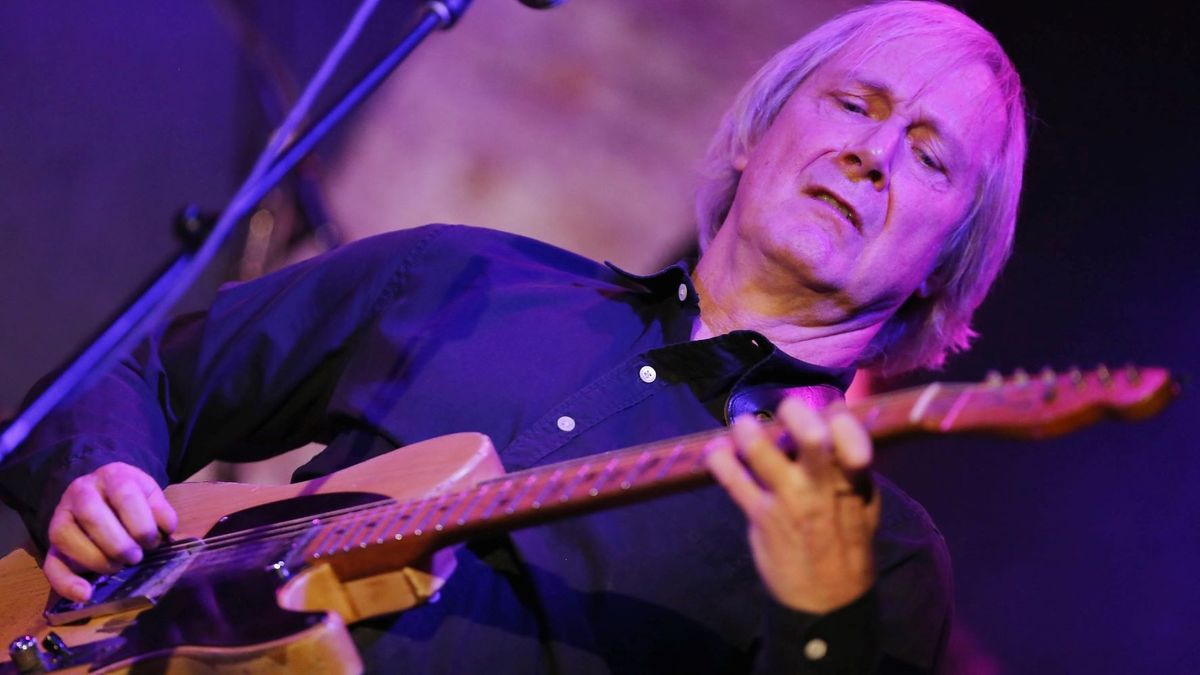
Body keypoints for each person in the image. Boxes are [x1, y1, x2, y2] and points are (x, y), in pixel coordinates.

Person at [0, 1, 1026, 672]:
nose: (873, 155)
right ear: (760, 129)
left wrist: (822, 620)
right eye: (855, 104)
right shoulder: (463, 276)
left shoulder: (873, 559)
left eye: (933, 161)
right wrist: (99, 477)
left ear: (950, 259)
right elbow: (130, 378)